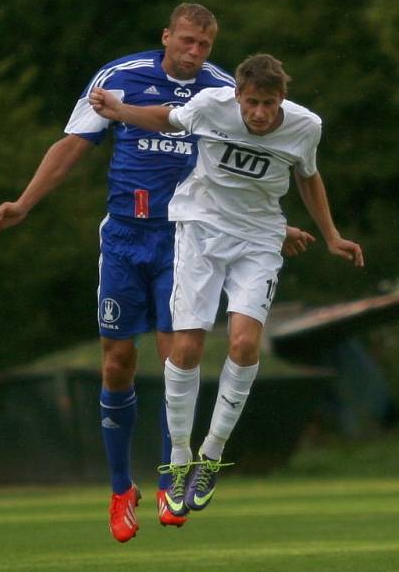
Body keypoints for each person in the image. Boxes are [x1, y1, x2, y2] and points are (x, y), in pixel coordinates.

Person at [0, 3, 239, 542]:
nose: (194, 53)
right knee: (118, 361)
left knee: (179, 361)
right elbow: (74, 144)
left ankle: (175, 473)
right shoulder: (120, 78)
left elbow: (247, 163)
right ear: (166, 36)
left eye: (204, 45)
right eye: (187, 41)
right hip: (124, 237)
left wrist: (269, 225)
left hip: (186, 239)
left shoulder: (221, 92)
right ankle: (122, 488)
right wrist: (24, 204)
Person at [88, 52, 364, 517]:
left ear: (283, 99)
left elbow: (308, 177)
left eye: (269, 104)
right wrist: (121, 111)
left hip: (257, 241)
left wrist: (332, 235)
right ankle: (178, 460)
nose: (260, 113)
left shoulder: (304, 126)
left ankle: (211, 455)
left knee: (242, 344)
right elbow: (166, 119)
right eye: (252, 102)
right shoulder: (211, 105)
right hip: (198, 231)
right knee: (187, 349)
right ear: (237, 96)